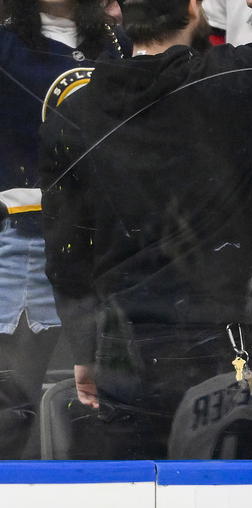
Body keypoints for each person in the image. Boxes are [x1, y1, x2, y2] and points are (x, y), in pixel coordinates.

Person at [38, 0, 252, 460]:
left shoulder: (78, 106)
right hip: (217, 338)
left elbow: (66, 249)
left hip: (121, 341)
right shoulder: (232, 81)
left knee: (134, 501)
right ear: (193, 9)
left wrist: (83, 347)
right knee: (219, 500)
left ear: (120, 12)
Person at [0, 0, 123, 458]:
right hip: (26, 245)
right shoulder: (7, 47)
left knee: (93, 413)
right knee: (15, 413)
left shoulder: (117, 44)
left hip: (110, 250)